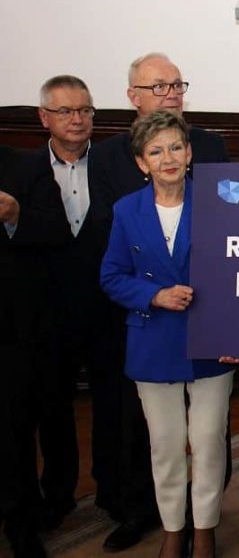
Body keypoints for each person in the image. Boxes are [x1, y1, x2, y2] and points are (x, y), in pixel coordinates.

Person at [89, 52, 231, 551]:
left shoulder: (220, 202)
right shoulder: (126, 210)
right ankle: (174, 530)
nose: (168, 158)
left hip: (213, 343)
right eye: (156, 151)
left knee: (208, 443)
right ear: (141, 162)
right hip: (152, 342)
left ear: (189, 154)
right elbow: (111, 275)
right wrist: (153, 294)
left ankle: (205, 527)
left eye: (175, 147)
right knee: (165, 446)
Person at [31, 76, 112, 532]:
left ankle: (112, 489)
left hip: (107, 307)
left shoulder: (113, 164)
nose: (77, 119)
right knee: (53, 405)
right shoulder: (24, 170)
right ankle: (58, 493)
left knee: (112, 404)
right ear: (44, 117)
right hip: (48, 312)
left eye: (85, 110)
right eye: (65, 111)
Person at [1, 144, 70, 558]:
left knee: (13, 431)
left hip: (13, 329)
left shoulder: (26, 167)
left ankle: (20, 521)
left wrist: (16, 216)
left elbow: (58, 231)